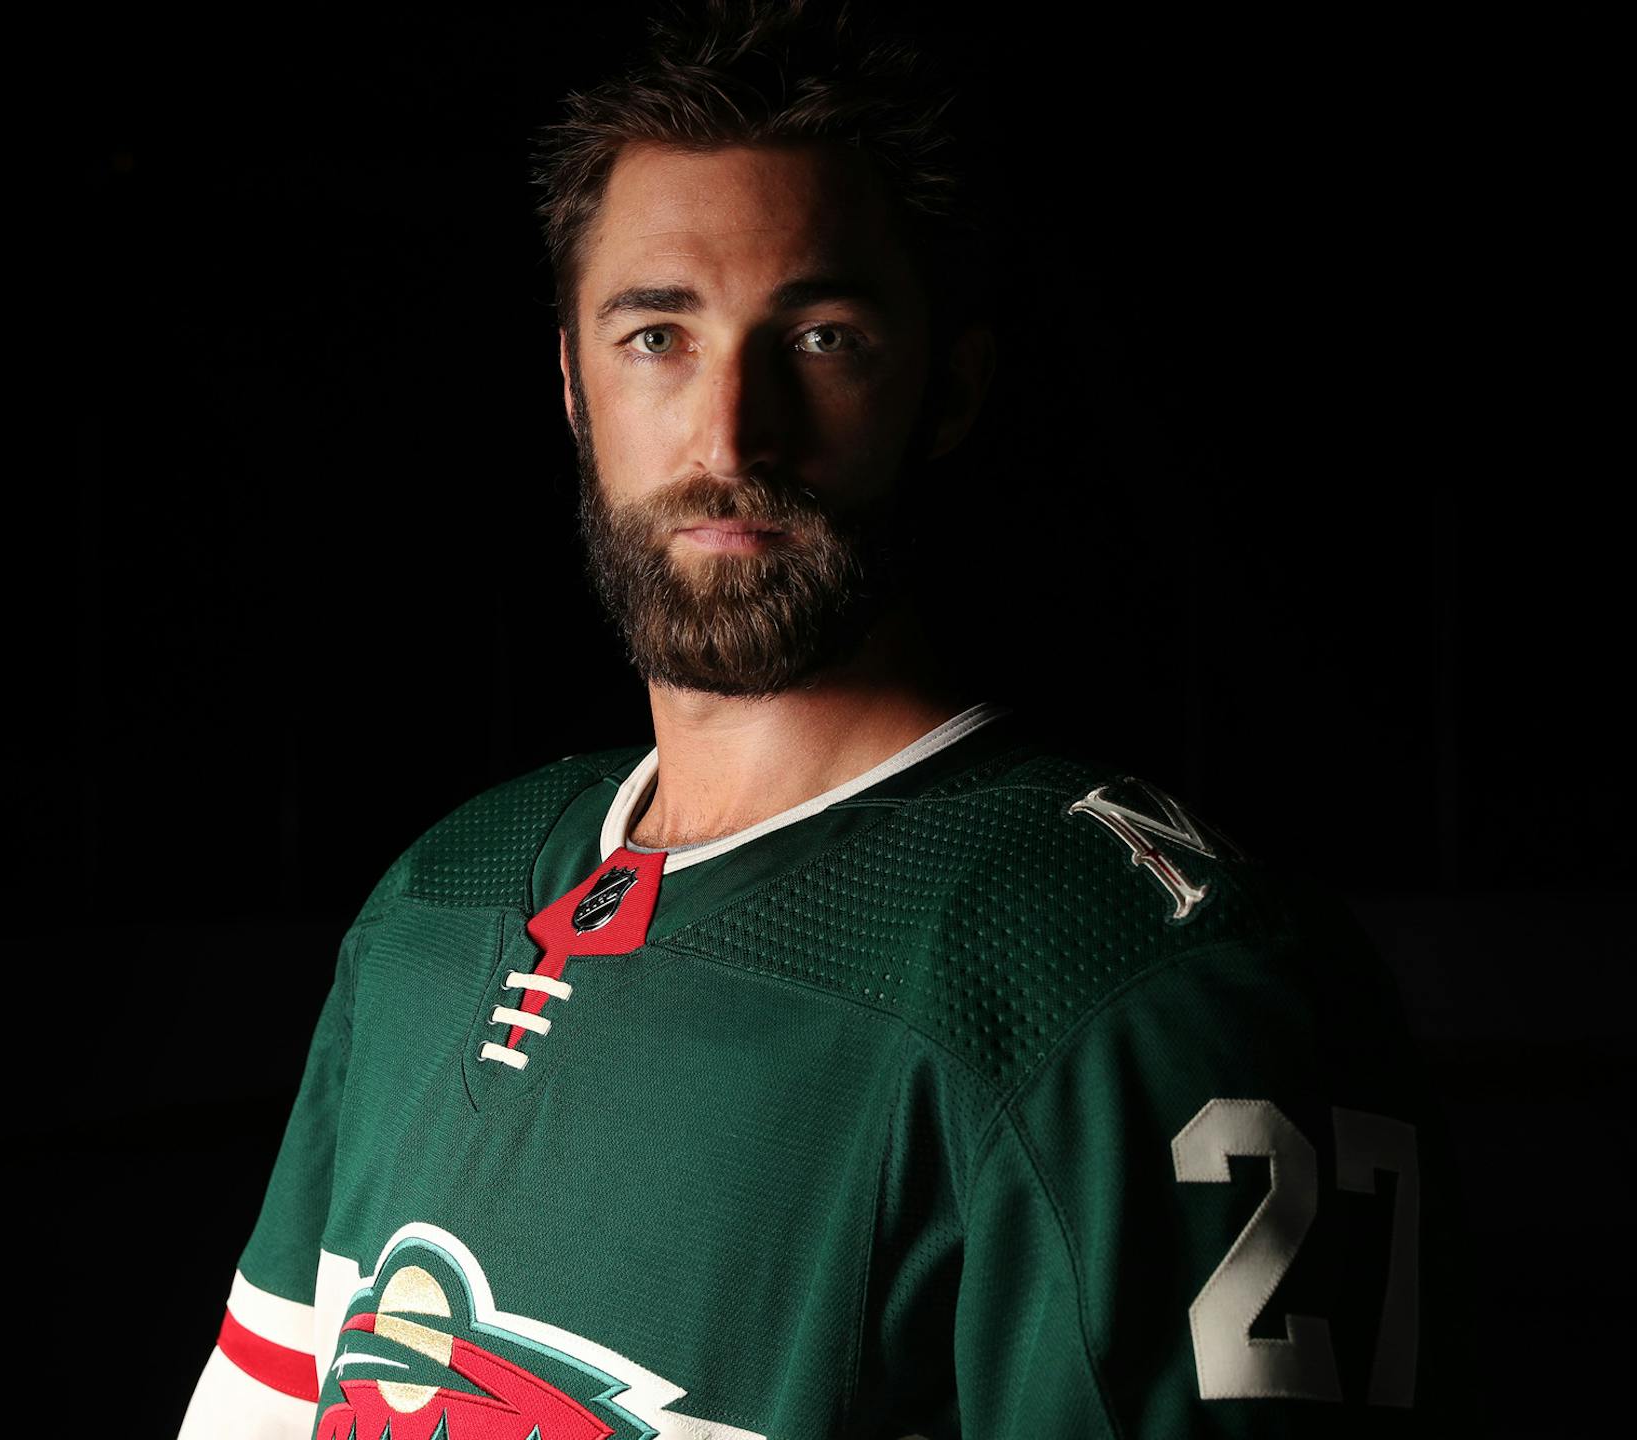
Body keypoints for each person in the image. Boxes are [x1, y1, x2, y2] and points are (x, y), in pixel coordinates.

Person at [181, 6, 1462, 1436]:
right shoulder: (437, 901)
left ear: (950, 383)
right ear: (571, 382)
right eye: (659, 334)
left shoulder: (1134, 989)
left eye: (822, 334)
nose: (733, 435)